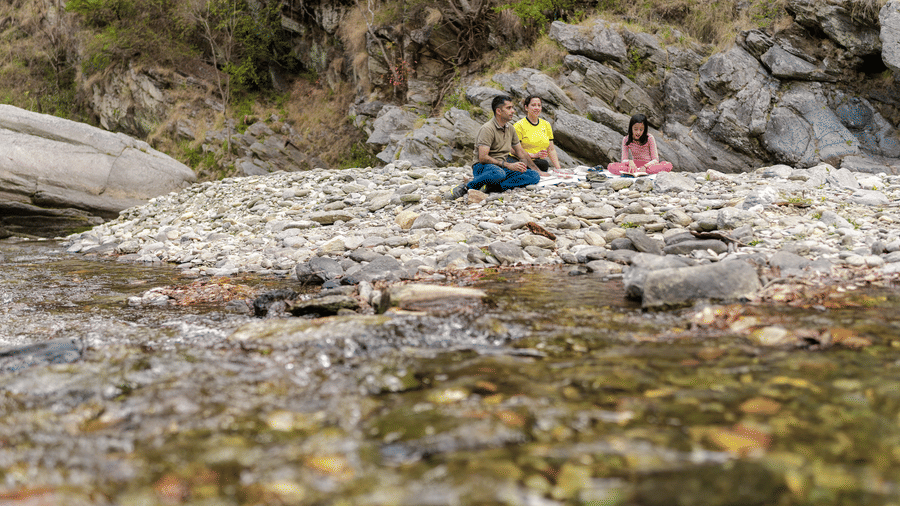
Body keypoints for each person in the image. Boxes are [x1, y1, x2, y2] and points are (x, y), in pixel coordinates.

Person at [448, 95, 544, 199]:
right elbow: (483, 158)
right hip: (483, 167)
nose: (512, 111)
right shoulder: (487, 129)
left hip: (502, 167)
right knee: (498, 173)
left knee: (533, 176)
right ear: (498, 111)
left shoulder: (510, 129)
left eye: (513, 108)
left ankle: (494, 187)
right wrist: (508, 165)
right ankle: (466, 187)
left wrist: (530, 168)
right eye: (508, 108)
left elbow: (521, 152)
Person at [513, 95, 569, 177]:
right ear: (526, 108)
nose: (537, 108)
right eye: (533, 105)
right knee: (542, 164)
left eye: (539, 105)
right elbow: (512, 150)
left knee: (543, 164)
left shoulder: (546, 124)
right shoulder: (518, 126)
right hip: (521, 161)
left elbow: (551, 149)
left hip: (539, 163)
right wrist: (533, 155)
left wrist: (559, 169)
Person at [606, 113, 673, 175]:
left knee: (668, 165)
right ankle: (637, 171)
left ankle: (640, 172)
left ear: (645, 129)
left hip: (648, 167)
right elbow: (623, 160)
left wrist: (645, 166)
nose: (638, 132)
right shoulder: (626, 139)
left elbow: (655, 160)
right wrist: (630, 162)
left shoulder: (649, 138)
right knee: (611, 166)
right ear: (631, 128)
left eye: (641, 129)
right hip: (634, 166)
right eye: (635, 129)